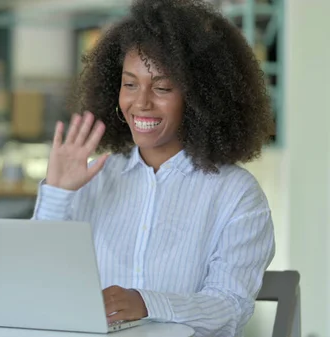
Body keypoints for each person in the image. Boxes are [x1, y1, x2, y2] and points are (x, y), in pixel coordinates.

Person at [32, 0, 275, 336]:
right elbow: (37, 283)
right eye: (130, 84)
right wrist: (57, 194)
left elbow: (231, 305)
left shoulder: (236, 194)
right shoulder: (94, 178)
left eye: (162, 87)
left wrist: (147, 303)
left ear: (200, 98)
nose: (141, 102)